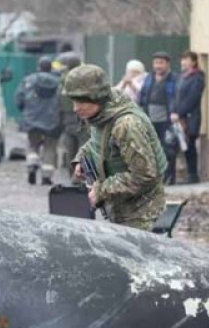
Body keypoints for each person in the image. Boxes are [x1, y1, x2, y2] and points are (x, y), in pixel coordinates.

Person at [64, 64, 167, 230]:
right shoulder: (102, 114)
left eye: (81, 101)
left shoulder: (126, 125)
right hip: (122, 209)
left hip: (141, 215)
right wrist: (81, 159)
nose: (75, 108)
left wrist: (100, 191)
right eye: (73, 101)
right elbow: (100, 142)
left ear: (96, 97)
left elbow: (144, 176)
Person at [15, 56, 61, 186]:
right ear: (50, 67)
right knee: (50, 147)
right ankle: (46, 177)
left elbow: (19, 99)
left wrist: (25, 111)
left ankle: (32, 165)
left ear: (38, 67)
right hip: (53, 121)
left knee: (32, 145)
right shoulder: (59, 82)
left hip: (32, 119)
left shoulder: (28, 81)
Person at [138, 51, 178, 184]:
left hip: (167, 120)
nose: (158, 66)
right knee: (152, 150)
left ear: (167, 64)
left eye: (161, 63)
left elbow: (176, 98)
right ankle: (156, 177)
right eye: (156, 63)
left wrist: (174, 112)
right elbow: (142, 96)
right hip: (150, 119)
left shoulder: (174, 78)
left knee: (168, 149)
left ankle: (169, 177)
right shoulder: (149, 77)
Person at [53, 51, 88, 180]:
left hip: (68, 121)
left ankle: (73, 177)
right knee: (83, 150)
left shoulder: (63, 81)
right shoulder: (84, 80)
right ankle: (78, 178)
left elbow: (58, 102)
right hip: (82, 120)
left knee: (70, 151)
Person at [174, 50, 206, 184]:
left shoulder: (197, 77)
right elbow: (177, 97)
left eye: (186, 59)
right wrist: (174, 111)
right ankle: (188, 173)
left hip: (190, 117)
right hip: (179, 117)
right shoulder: (182, 77)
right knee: (184, 146)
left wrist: (180, 113)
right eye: (182, 59)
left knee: (190, 145)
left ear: (193, 62)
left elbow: (192, 98)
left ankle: (193, 174)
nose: (183, 62)